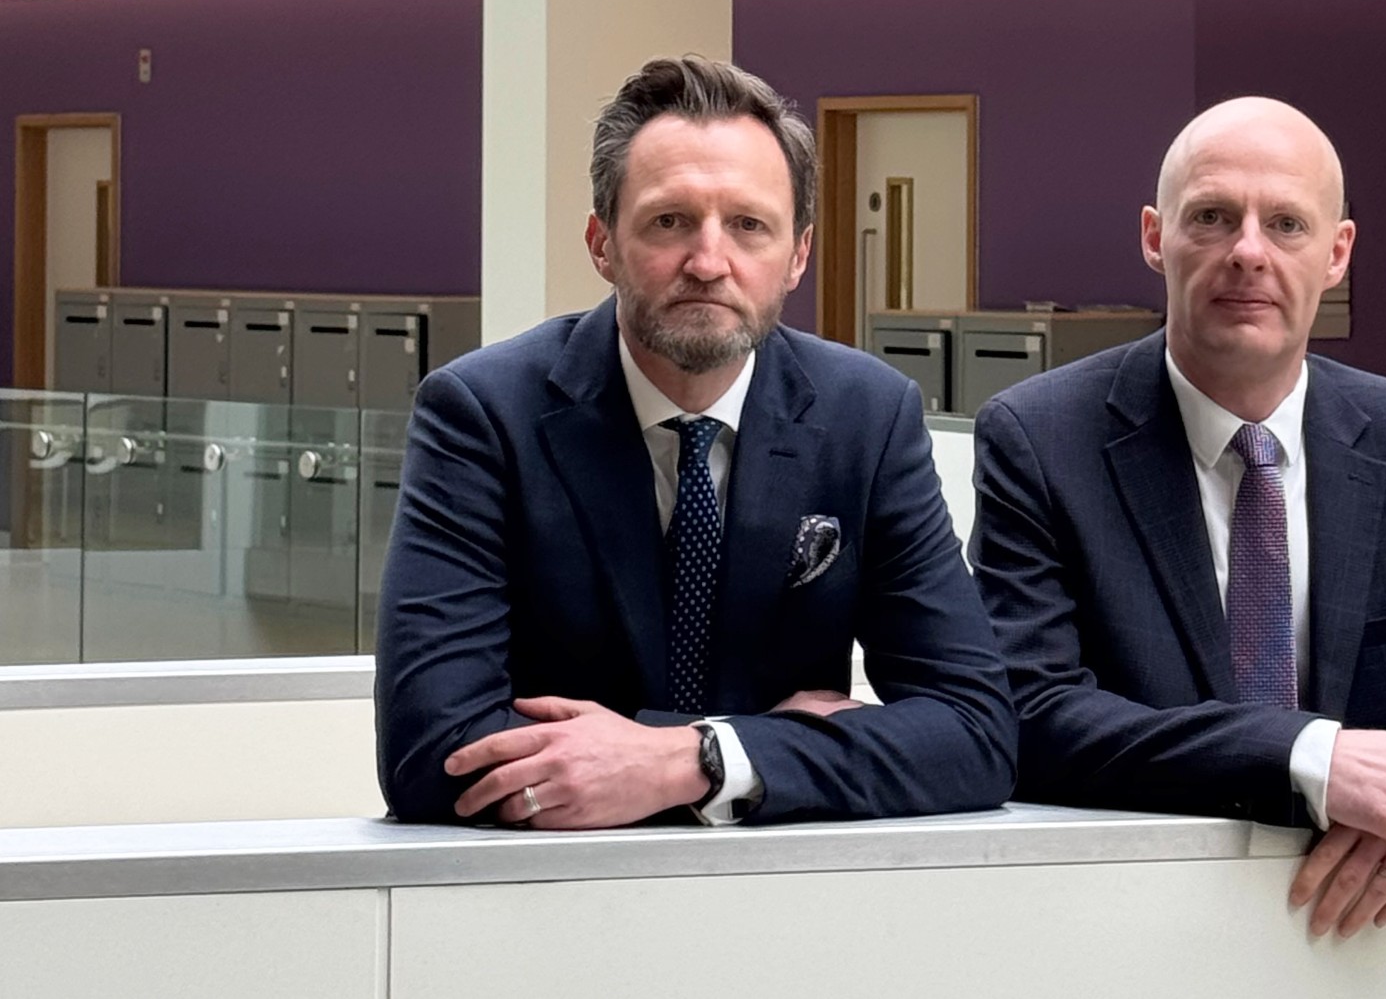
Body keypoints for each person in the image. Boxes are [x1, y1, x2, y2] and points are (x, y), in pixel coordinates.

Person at [969, 97, 1386, 936]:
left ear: (1336, 252)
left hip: (1370, 946)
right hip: (1132, 927)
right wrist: (1315, 760)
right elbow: (1027, 711)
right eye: (1211, 217)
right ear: (1155, 237)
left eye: (1286, 223)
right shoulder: (1042, 439)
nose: (1248, 251)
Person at [377, 56, 1015, 828]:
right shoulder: (483, 416)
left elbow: (975, 733)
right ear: (602, 242)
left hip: (785, 888)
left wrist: (697, 758)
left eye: (749, 225)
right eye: (669, 221)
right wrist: (779, 743)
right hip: (551, 883)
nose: (709, 263)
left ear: (798, 254)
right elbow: (429, 752)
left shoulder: (867, 417)